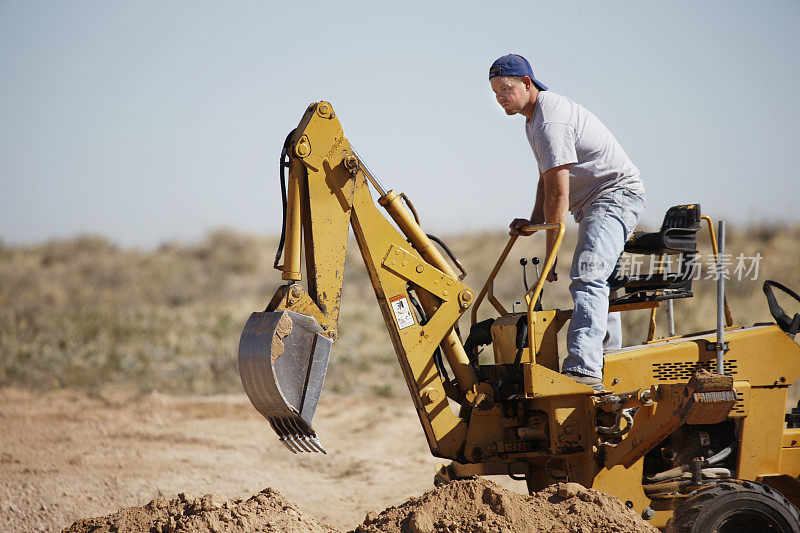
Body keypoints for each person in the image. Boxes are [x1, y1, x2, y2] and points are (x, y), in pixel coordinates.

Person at [489, 53, 645, 391]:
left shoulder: (549, 121)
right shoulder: (533, 120)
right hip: (593, 202)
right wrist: (532, 221)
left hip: (613, 195)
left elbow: (558, 195)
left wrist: (551, 255)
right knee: (602, 279)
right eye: (495, 92)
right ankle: (610, 364)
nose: (500, 97)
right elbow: (547, 178)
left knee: (588, 273)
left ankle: (585, 370)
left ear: (527, 84)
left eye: (505, 89)